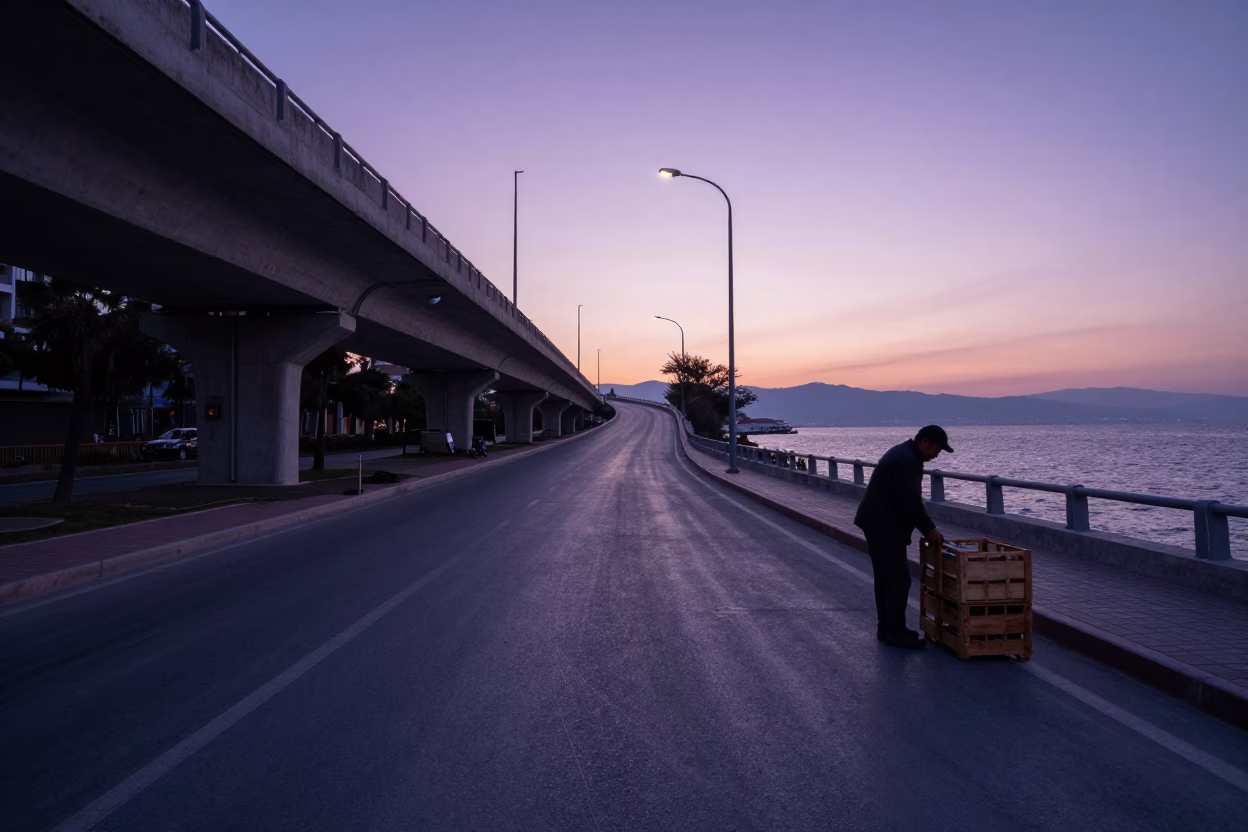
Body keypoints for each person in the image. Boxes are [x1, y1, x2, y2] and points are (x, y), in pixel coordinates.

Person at [853, 424, 953, 649]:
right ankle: (895, 632)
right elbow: (912, 504)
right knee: (898, 579)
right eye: (937, 449)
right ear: (925, 442)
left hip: (877, 522)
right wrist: (931, 530)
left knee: (885, 579)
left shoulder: (904, 453)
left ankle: (886, 629)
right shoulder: (906, 461)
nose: (937, 455)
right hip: (883, 526)